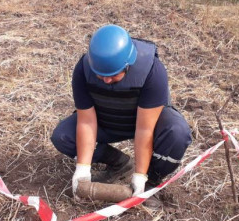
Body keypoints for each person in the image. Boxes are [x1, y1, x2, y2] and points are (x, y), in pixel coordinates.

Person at [51, 25, 192, 209]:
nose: (107, 80)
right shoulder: (83, 69)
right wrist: (82, 170)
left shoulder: (152, 72)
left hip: (141, 122)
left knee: (177, 133)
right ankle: (120, 163)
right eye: (100, 75)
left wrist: (140, 176)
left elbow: (144, 129)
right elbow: (86, 121)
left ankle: (150, 182)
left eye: (113, 75)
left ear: (128, 64)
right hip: (106, 119)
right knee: (63, 136)